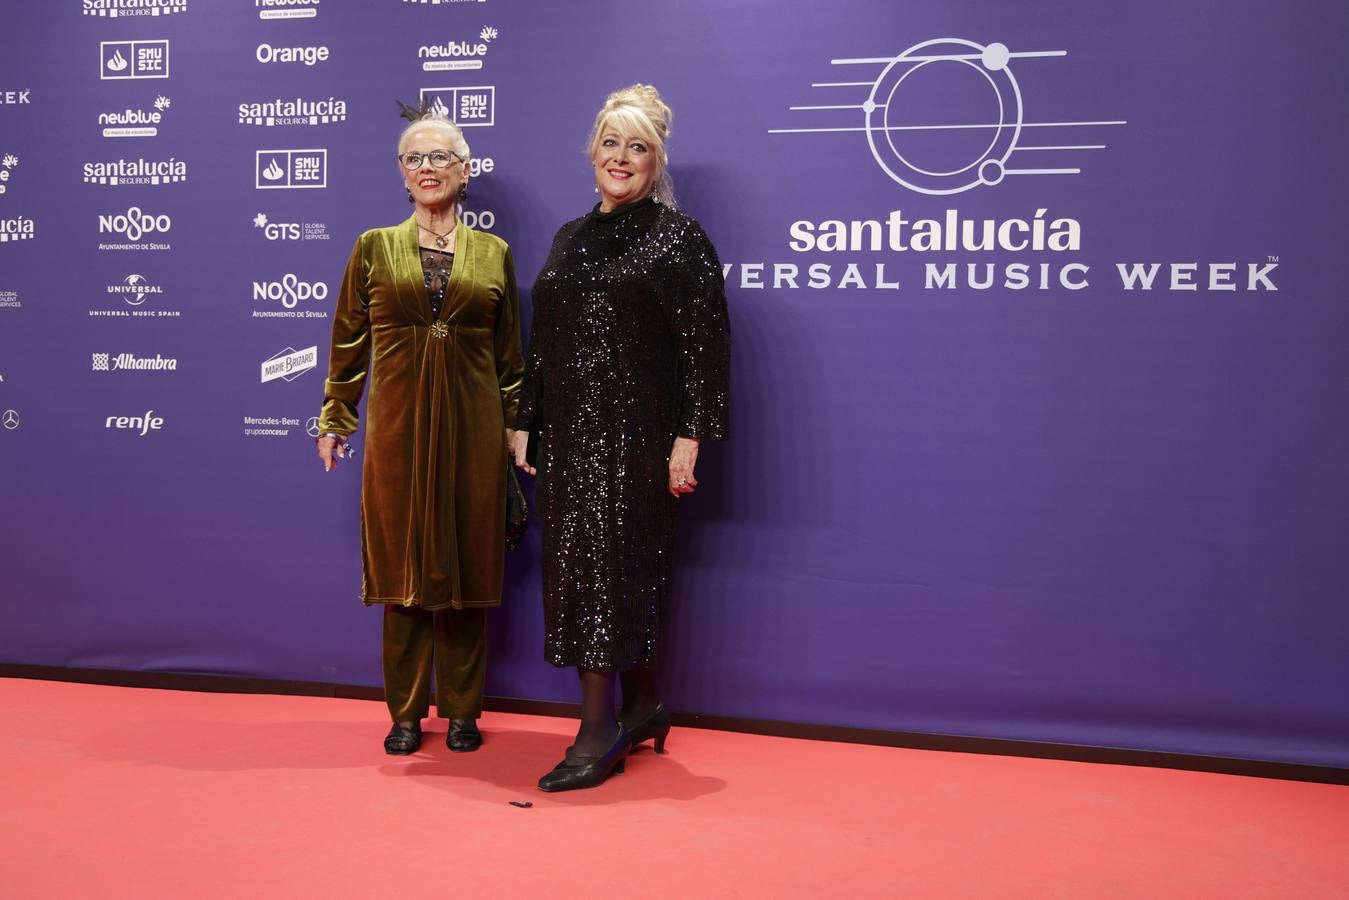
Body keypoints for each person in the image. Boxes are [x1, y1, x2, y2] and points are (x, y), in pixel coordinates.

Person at [510, 85, 730, 791]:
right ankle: (642, 706)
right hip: (570, 436)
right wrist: (526, 419)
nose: (621, 158)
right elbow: (543, 340)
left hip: (636, 438)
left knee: (611, 573)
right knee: (580, 568)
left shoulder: (678, 237)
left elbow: (705, 350)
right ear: (592, 152)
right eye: (611, 143)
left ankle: (599, 729)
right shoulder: (570, 236)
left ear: (656, 158)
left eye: (637, 147)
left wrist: (689, 437)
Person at [316, 111, 523, 756]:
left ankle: (464, 712)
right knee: (401, 575)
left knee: (465, 574)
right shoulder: (373, 247)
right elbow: (349, 341)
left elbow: (510, 357)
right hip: (399, 432)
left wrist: (518, 430)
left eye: (440, 157)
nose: (427, 167)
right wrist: (336, 415)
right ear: (403, 175)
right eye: (414, 158)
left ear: (465, 171)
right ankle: (405, 714)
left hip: (475, 431)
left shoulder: (494, 255)